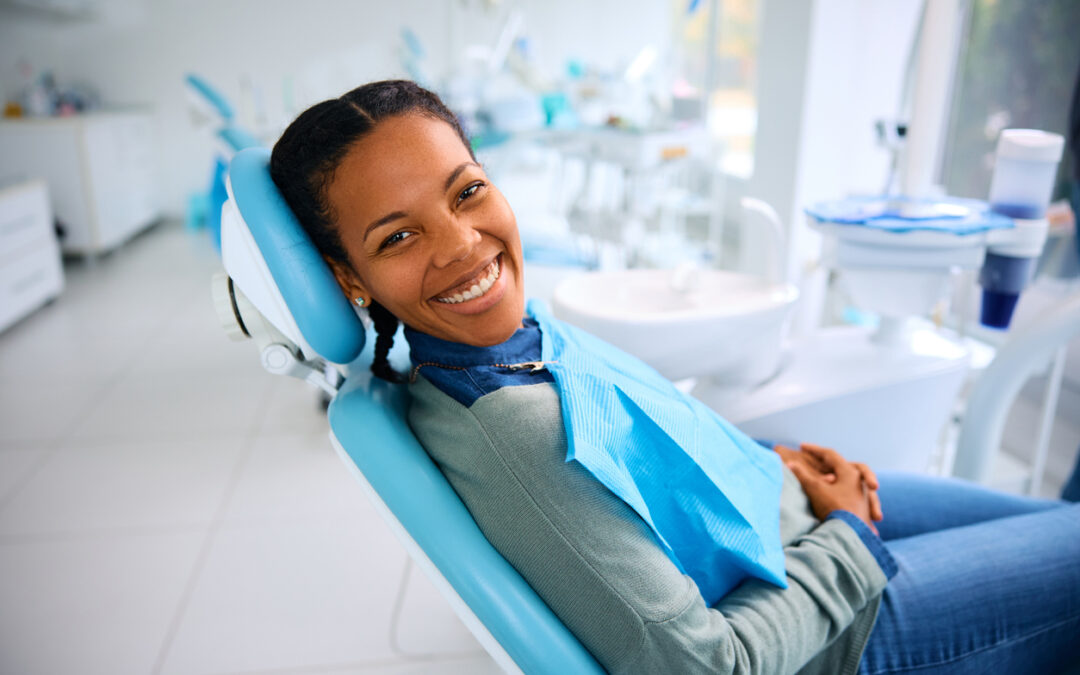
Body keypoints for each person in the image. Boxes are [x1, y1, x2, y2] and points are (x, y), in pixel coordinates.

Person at [269, 80, 1080, 675]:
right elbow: (707, 669)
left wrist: (773, 461)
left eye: (468, 191)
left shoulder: (496, 340)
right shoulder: (510, 429)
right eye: (399, 235)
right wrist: (850, 540)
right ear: (349, 278)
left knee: (1053, 517)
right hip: (830, 631)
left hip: (789, 511)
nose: (462, 245)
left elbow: (642, 436)